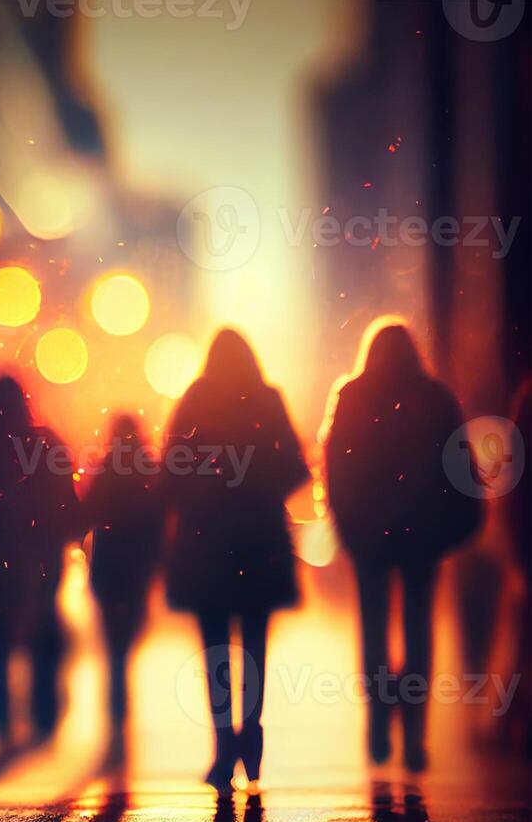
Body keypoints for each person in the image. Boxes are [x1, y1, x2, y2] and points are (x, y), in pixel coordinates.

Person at [323, 322, 481, 771]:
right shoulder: (435, 397)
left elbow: (337, 462)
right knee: (418, 626)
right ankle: (413, 732)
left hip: (369, 532)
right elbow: (459, 466)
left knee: (373, 624)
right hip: (422, 532)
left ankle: (377, 719)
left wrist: (346, 520)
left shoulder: (353, 395)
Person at [165, 329, 309, 792]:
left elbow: (169, 468)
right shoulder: (266, 401)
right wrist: (257, 490)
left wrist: (202, 494)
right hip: (258, 540)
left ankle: (223, 744)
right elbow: (295, 467)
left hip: (206, 544)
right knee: (255, 644)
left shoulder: (194, 400)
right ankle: (253, 738)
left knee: (215, 650)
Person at [0, 376, 80, 741]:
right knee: (43, 632)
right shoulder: (45, 443)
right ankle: (44, 714)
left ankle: (1, 719)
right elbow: (67, 503)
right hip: (40, 557)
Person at [83, 415, 163, 739]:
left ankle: (116, 701)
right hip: (136, 567)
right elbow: (158, 517)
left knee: (113, 638)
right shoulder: (148, 468)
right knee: (127, 634)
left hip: (108, 567)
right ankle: (120, 698)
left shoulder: (105, 468)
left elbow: (88, 510)